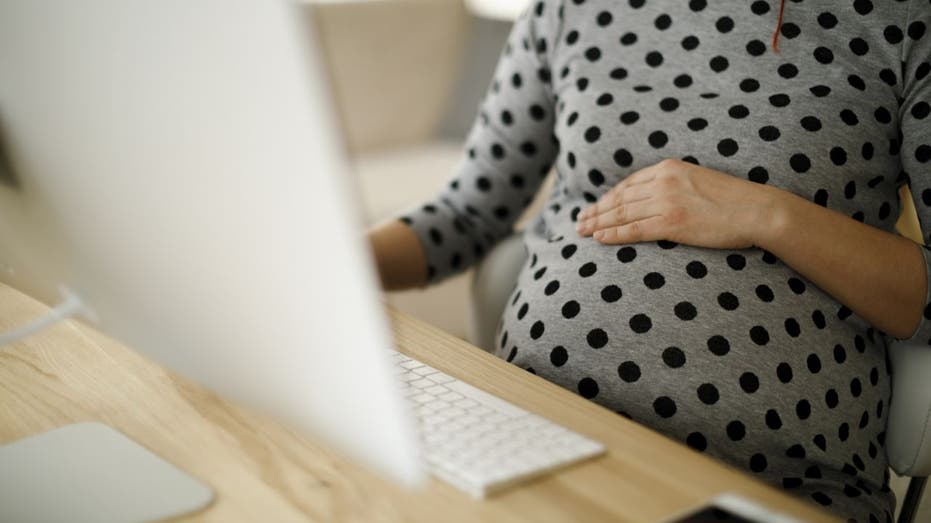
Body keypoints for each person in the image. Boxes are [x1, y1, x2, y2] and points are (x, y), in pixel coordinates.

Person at [368, 1, 931, 521]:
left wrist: (766, 215)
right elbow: (467, 214)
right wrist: (317, 264)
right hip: (526, 438)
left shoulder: (901, 21)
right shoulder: (569, 8)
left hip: (768, 483)